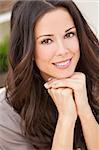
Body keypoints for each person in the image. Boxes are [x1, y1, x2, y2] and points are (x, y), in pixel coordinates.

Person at [0, 0, 99, 150]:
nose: (62, 50)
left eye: (69, 34)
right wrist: (66, 118)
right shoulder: (6, 114)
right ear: (28, 49)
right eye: (46, 41)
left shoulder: (95, 80)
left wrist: (85, 111)